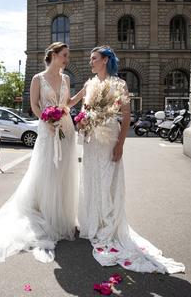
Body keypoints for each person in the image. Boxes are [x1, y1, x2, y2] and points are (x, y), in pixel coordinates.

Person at [0, 42, 85, 263]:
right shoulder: (38, 78)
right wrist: (47, 121)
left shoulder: (67, 79)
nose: (68, 58)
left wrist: (82, 94)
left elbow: (67, 104)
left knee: (65, 171)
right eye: (65, 55)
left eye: (68, 55)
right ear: (54, 55)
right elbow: (35, 106)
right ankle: (48, 216)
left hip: (66, 130)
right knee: (48, 170)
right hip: (48, 130)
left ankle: (63, 217)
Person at [77, 46, 185, 274]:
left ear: (105, 60)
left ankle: (108, 226)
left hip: (109, 139)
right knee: (92, 179)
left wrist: (120, 144)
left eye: (94, 58)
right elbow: (84, 110)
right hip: (91, 142)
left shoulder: (120, 84)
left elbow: (125, 117)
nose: (90, 62)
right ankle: (94, 223)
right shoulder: (89, 84)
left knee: (108, 182)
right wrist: (81, 121)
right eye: (90, 58)